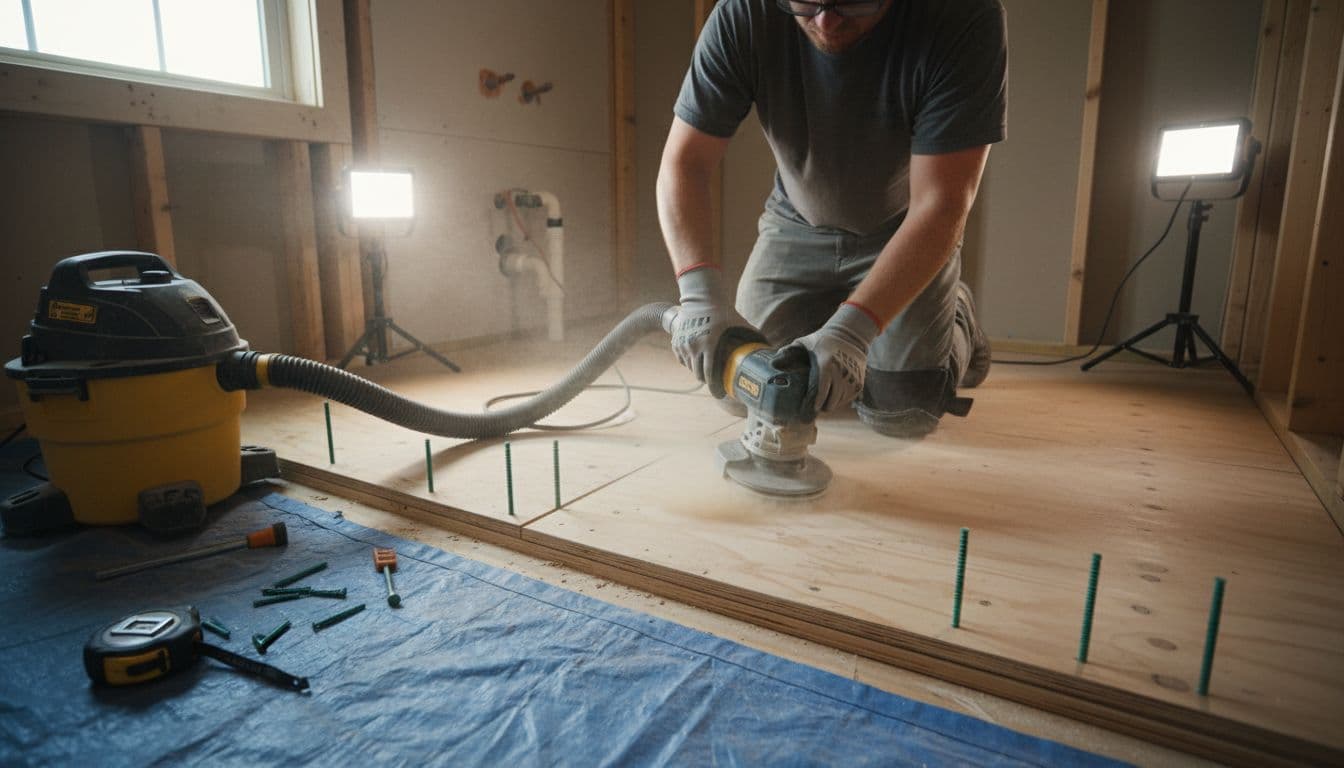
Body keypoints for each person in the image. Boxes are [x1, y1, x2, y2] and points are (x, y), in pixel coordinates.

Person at [658, 0, 1006, 437]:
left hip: (906, 228)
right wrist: (699, 296)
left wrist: (854, 332)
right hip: (796, 222)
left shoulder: (962, 16)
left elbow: (942, 203)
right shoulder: (744, 11)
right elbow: (684, 164)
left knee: (902, 413)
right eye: (806, 0)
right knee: (741, 385)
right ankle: (837, 316)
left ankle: (956, 315)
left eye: (851, 1)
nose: (825, 20)